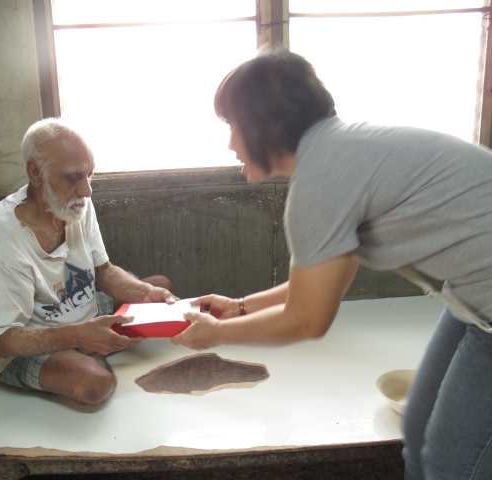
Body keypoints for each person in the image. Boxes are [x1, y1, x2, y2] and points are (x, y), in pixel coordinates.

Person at [171, 48, 492, 479]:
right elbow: (325, 285)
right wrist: (241, 306)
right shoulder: (340, 150)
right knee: (417, 431)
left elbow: (307, 319)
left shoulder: (321, 180)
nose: (230, 144)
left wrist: (215, 334)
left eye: (232, 125)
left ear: (263, 123)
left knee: (454, 466)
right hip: (472, 299)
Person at [0, 118, 176, 405]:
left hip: (81, 313)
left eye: (90, 175)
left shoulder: (77, 204)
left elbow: (104, 271)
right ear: (35, 173)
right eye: (73, 177)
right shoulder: (2, 234)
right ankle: (88, 351)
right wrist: (79, 336)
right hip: (28, 341)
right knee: (95, 384)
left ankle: (90, 347)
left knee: (159, 290)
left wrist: (144, 292)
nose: (86, 190)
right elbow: (3, 341)